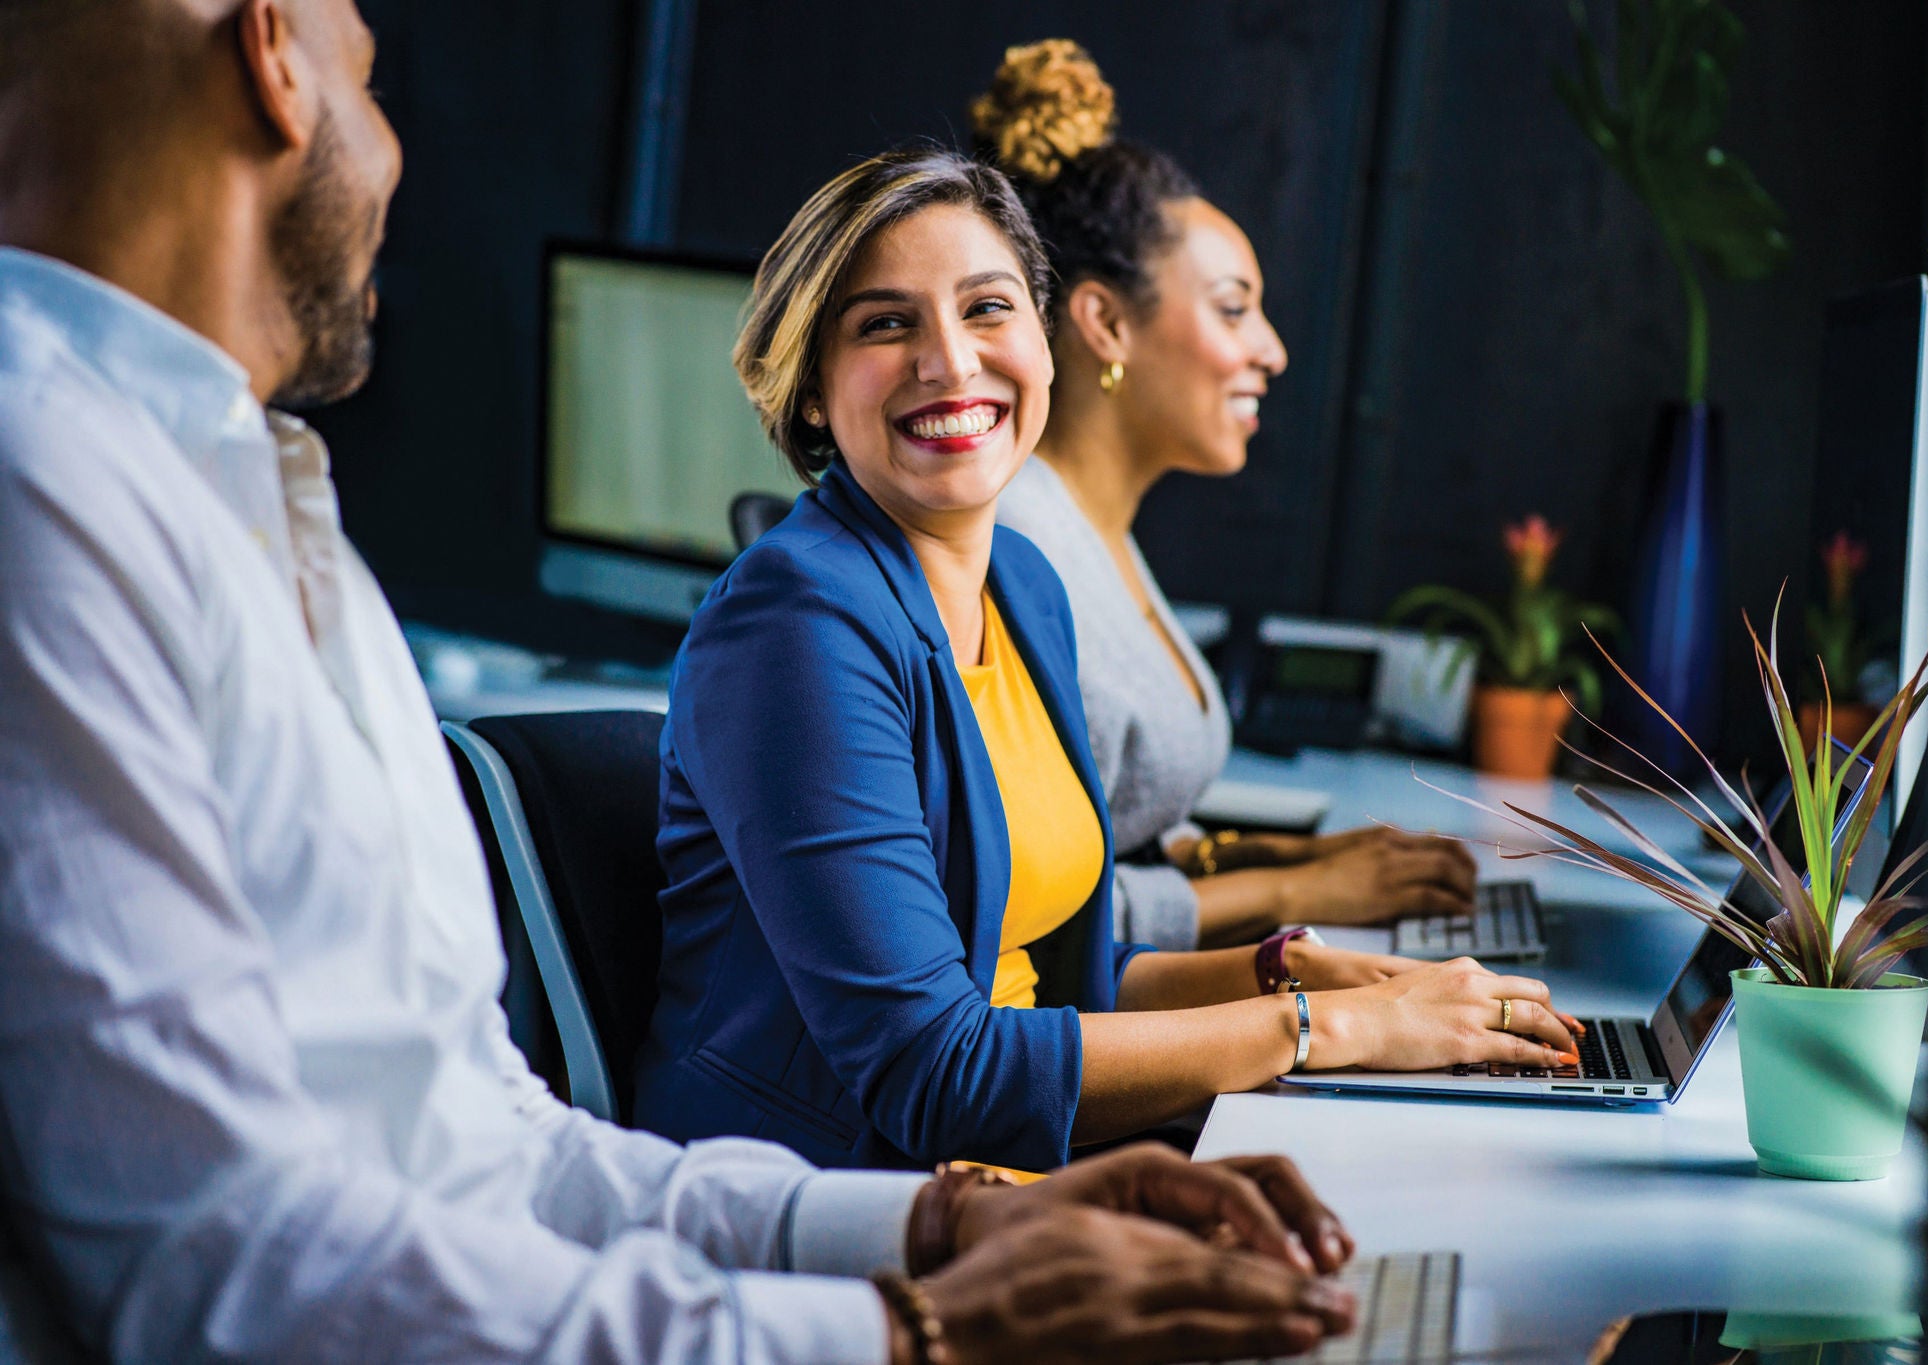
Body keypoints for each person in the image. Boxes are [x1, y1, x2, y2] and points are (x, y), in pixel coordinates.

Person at [0, 2, 1368, 1361]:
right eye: (372, 76)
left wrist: (940, 1240)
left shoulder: (260, 505)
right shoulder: (46, 492)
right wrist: (908, 1327)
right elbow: (222, 1265)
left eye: (984, 309)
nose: (400, 150)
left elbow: (494, 1146)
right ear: (273, 57)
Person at [638, 142, 1583, 1176]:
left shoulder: (1026, 588)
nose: (950, 361)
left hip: (1015, 1173)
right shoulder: (794, 624)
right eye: (884, 323)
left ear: (1045, 344)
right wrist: (1327, 1029)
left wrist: (1295, 973)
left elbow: (1058, 984)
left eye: (987, 309)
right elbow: (933, 1071)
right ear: (813, 391)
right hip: (835, 1205)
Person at [980, 38, 1482, 953]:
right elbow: (1034, 920)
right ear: (1105, 321)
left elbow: (1115, 835)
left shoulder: (1096, 532)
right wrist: (1296, 888)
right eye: (1232, 306)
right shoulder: (1021, 551)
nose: (1272, 350)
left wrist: (1286, 856)